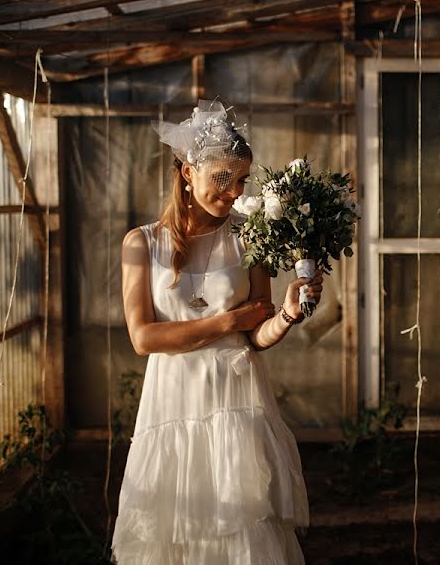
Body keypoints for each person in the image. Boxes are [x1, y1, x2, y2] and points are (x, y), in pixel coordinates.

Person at [111, 100, 320, 563]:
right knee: (177, 528)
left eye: (241, 179)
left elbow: (257, 335)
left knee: (242, 528)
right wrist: (226, 321)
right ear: (188, 172)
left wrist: (285, 314)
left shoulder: (251, 237)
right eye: (222, 178)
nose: (233, 192)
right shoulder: (141, 244)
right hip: (173, 403)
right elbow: (143, 338)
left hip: (236, 402)